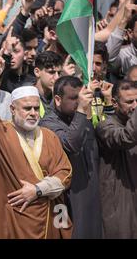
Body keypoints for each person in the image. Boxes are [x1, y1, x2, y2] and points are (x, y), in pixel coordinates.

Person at [0, 47, 72, 238]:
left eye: (35, 108)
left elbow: (65, 173)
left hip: (48, 217)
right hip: (12, 220)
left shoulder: (49, 136)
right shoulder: (0, 132)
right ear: (12, 109)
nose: (33, 113)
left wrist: (38, 190)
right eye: (26, 108)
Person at [40, 76, 102, 238]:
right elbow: (70, 144)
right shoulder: (48, 123)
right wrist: (81, 110)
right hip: (65, 203)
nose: (78, 101)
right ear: (58, 99)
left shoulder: (82, 117)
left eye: (80, 97)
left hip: (91, 199)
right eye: (73, 98)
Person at [95, 79, 137, 238]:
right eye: (129, 102)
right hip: (119, 204)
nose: (134, 106)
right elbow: (126, 138)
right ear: (114, 102)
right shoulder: (105, 126)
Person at [33, 51, 63, 117]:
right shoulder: (27, 96)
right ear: (37, 72)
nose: (57, 77)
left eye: (59, 73)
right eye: (51, 72)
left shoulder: (61, 96)